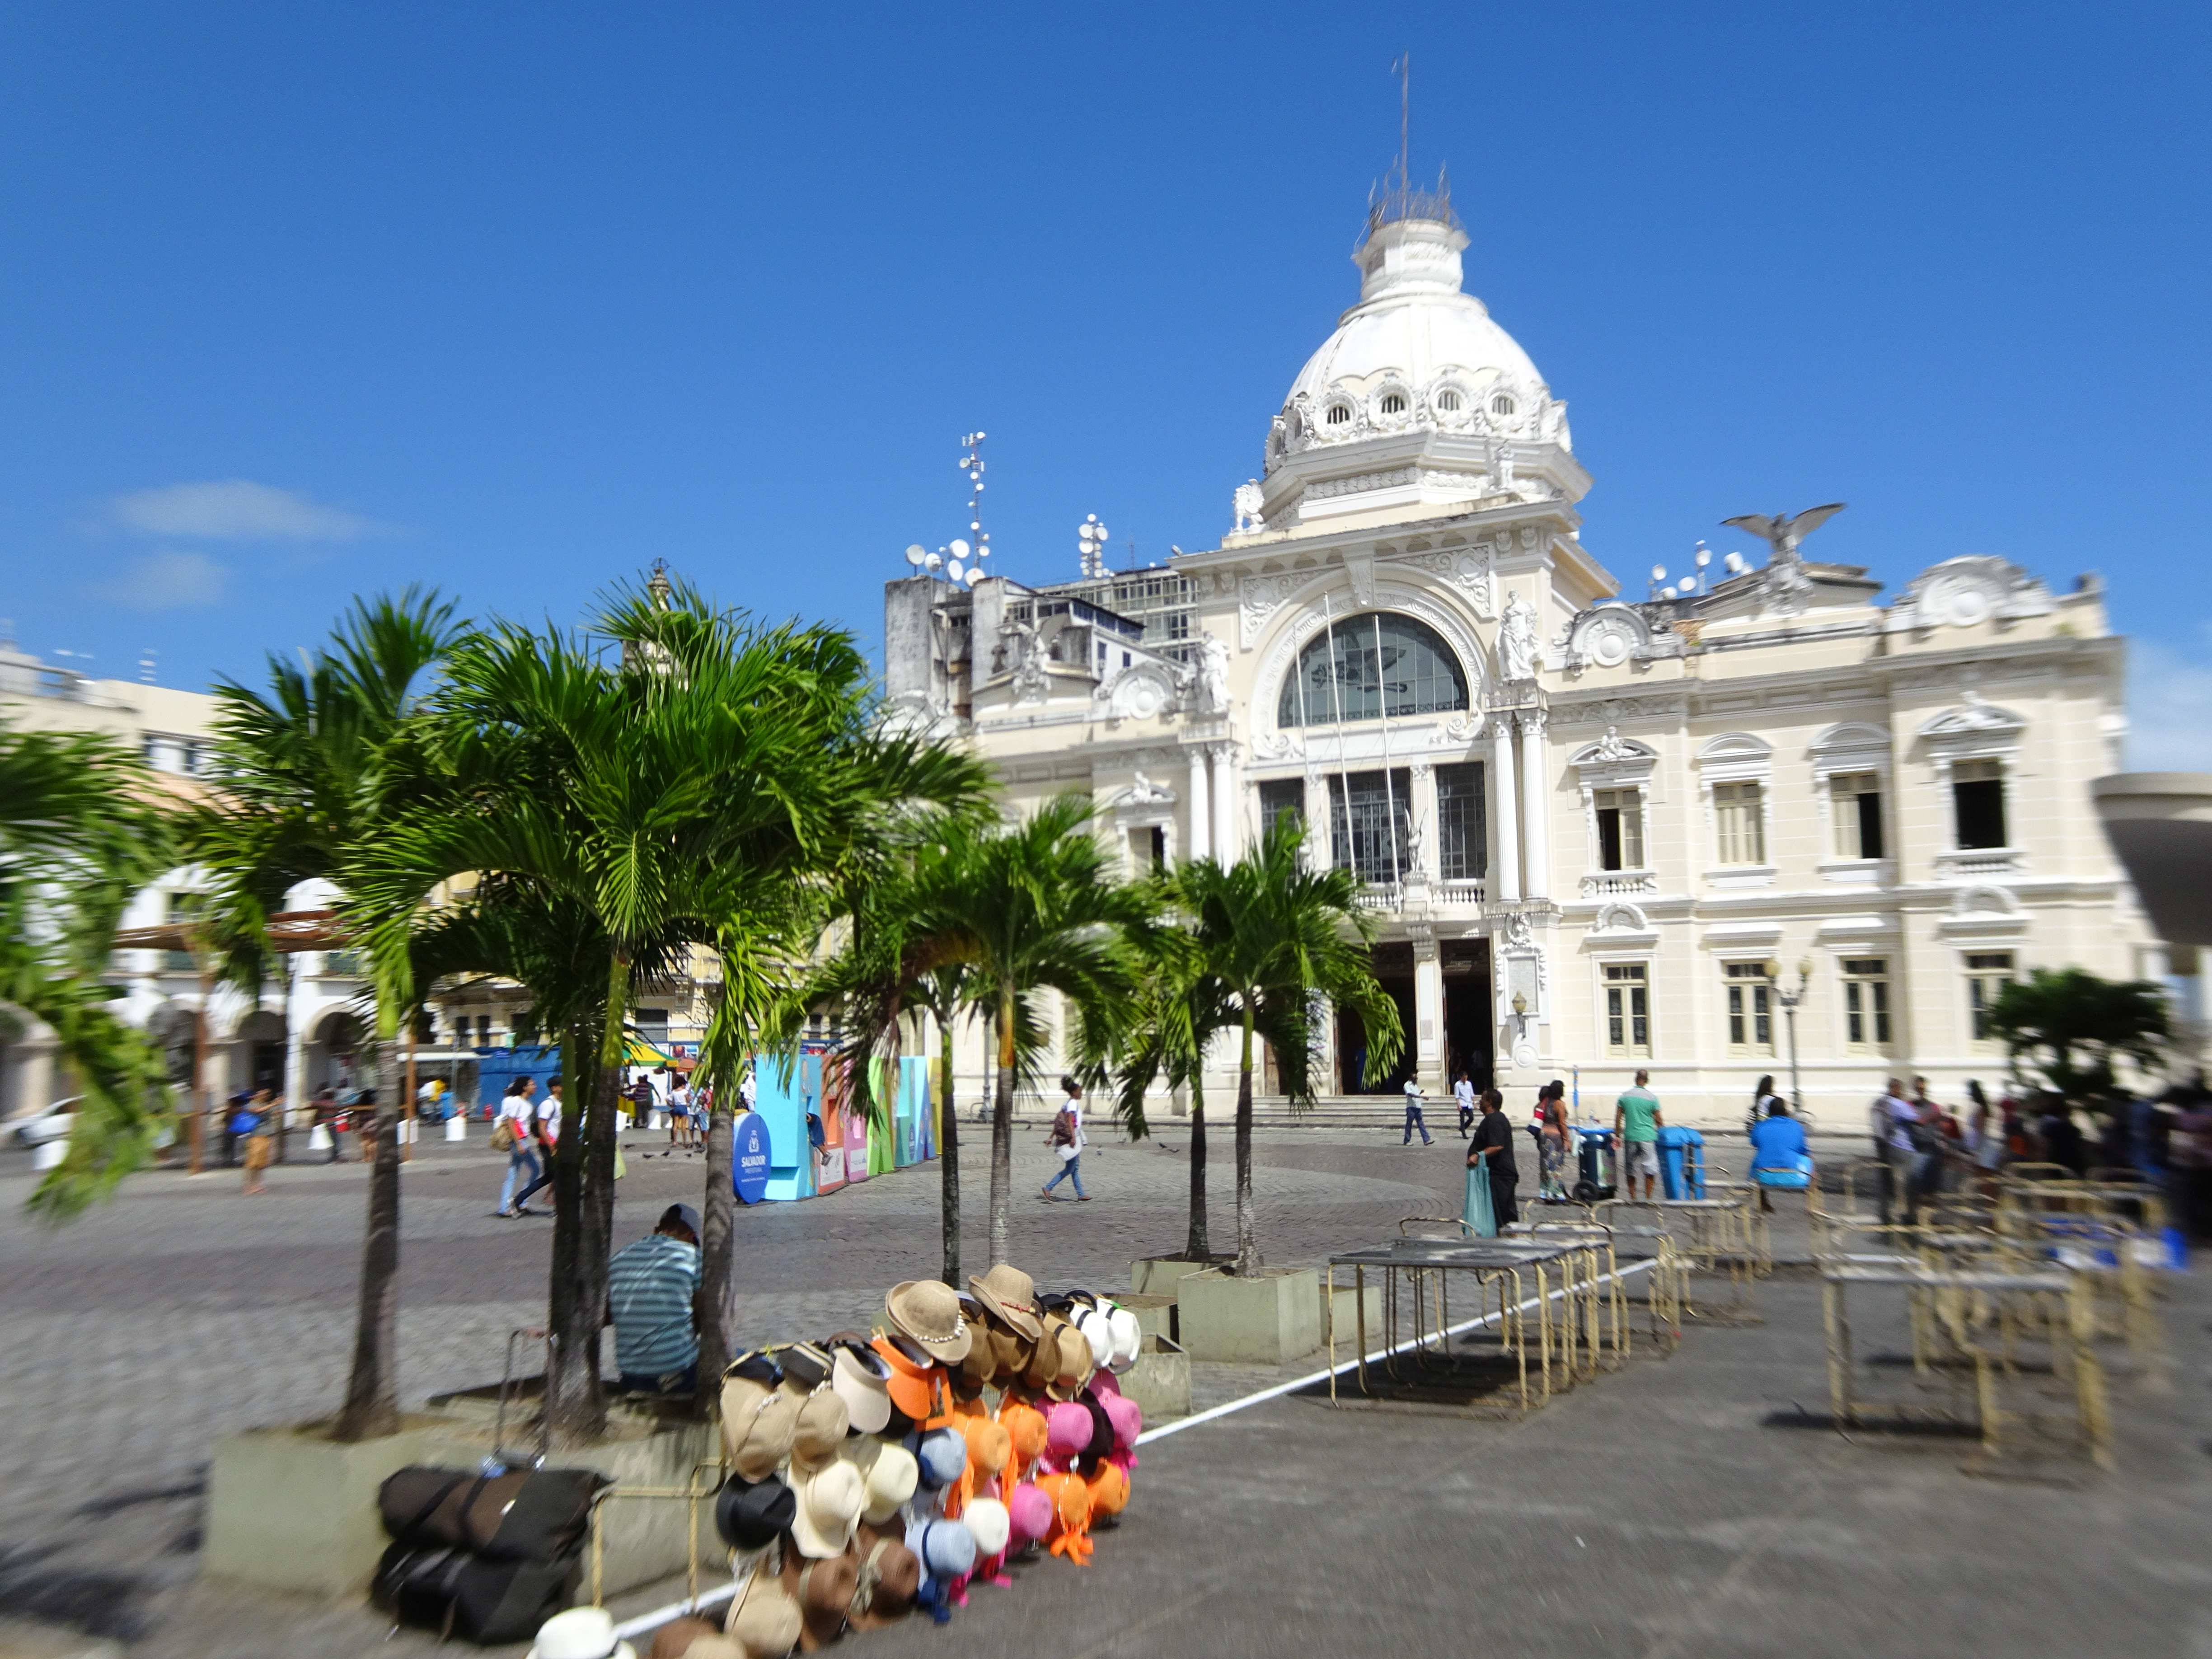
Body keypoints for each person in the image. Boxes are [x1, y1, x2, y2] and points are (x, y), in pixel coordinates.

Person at [606, 1203, 703, 1395]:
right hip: (678, 1372)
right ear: (691, 1236)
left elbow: (609, 1315)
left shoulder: (620, 1257)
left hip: (631, 1375)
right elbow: (704, 1318)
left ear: (656, 1230)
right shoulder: (693, 1256)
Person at [1747, 1097, 1809, 1214]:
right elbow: (1803, 1150)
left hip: (1764, 1176)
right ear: (1786, 1111)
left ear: (1769, 1111)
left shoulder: (1760, 1126)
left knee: (1759, 1159)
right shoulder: (1796, 1126)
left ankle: (1761, 1200)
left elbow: (1754, 1143)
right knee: (1808, 1159)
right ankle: (1813, 1204)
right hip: (1793, 1175)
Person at [1468, 1088, 1519, 1230]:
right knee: (1501, 1215)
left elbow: (1497, 1146)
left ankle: (1504, 1239)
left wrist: (1477, 1155)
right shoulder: (1495, 1119)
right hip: (1498, 1175)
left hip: (1500, 1176)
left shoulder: (1494, 1121)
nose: (1480, 1102)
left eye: (1483, 1099)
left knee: (1501, 1217)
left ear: (1489, 1102)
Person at [1872, 1077, 1920, 1224]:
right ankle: (1908, 1216)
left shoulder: (1878, 1103)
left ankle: (1885, 1214)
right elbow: (1917, 1119)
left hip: (1883, 1146)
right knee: (1909, 1182)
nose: (1902, 1093)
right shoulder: (1899, 1104)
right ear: (1896, 1089)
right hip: (1902, 1147)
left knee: (1887, 1181)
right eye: (1901, 1090)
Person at [510, 1078, 562, 1213]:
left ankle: (518, 1200)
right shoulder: (548, 1104)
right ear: (554, 1088)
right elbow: (542, 1128)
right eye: (561, 1086)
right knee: (556, 1176)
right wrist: (552, 1147)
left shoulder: (559, 1103)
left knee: (549, 1177)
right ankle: (560, 1209)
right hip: (548, 1146)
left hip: (556, 1145)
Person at [1613, 1070, 1664, 1200]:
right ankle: (1648, 1198)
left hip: (1630, 1136)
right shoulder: (1652, 1098)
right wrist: (1662, 1133)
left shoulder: (1624, 1097)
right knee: (1650, 1168)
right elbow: (1659, 1120)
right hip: (1647, 1136)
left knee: (1630, 1168)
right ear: (1647, 1081)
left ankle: (1633, 1198)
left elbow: (1618, 1119)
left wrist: (1617, 1135)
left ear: (1636, 1079)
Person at [496, 1078, 542, 1218]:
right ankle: (521, 1201)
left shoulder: (528, 1103)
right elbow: (511, 1123)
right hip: (519, 1141)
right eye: (532, 1084)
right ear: (524, 1087)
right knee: (536, 1169)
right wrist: (518, 1143)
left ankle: (505, 1207)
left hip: (521, 1140)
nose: (535, 1086)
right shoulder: (517, 1101)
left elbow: (526, 1124)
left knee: (513, 1173)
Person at [1041, 1075, 1090, 1200]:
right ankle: (1048, 1188)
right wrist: (1073, 1138)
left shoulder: (1067, 1103)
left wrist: (1051, 1137)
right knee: (1070, 1168)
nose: (1081, 1094)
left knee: (1075, 1168)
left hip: (1071, 1136)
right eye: (1080, 1091)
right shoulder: (1073, 1103)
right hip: (1073, 1137)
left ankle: (1081, 1194)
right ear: (1074, 1092)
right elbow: (1069, 1121)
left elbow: (1059, 1123)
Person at [238, 1088, 276, 1195]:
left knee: (261, 1164)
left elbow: (271, 1113)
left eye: (267, 1094)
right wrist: (273, 1104)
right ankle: (248, 1186)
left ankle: (258, 1185)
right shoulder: (251, 1104)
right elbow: (257, 1111)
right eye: (263, 1093)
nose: (265, 1095)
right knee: (252, 1163)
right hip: (255, 1136)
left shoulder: (265, 1104)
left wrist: (276, 1107)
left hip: (266, 1136)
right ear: (257, 1095)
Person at [1538, 1093, 1572, 1202]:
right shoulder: (1559, 1104)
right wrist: (1567, 1139)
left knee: (1545, 1165)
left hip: (1543, 1135)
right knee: (1556, 1166)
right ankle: (1555, 1193)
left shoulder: (1542, 1104)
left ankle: (1545, 1192)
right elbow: (1562, 1123)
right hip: (1555, 1137)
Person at [1401, 1077, 1434, 1147]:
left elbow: (1417, 1094)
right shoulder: (1407, 1085)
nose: (1416, 1080)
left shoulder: (1415, 1086)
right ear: (1411, 1079)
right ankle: (1407, 1140)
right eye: (1415, 1079)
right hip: (1411, 1108)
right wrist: (1422, 1097)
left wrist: (1421, 1092)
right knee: (1409, 1124)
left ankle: (1426, 1140)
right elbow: (1410, 1094)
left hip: (1418, 1107)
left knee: (1421, 1124)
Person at [1453, 1071, 1477, 1137]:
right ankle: (1464, 1133)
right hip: (1462, 1103)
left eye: (1466, 1078)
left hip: (1469, 1103)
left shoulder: (1469, 1084)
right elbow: (1457, 1096)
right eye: (1464, 1078)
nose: (1465, 1079)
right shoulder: (1457, 1085)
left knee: (1471, 1118)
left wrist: (1475, 1103)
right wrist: (1458, 1105)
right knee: (1462, 1119)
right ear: (1461, 1077)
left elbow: (1472, 1094)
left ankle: (1463, 1128)